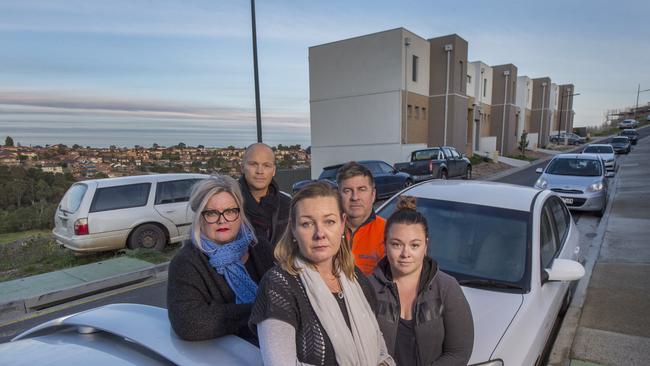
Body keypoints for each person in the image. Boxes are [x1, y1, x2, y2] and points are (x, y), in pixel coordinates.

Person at [249, 181, 395, 366]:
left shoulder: (355, 277)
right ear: (293, 228)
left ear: (342, 224)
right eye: (307, 223)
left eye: (329, 221)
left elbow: (379, 348)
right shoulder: (278, 285)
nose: (320, 233)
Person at [167, 175, 274, 343]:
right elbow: (188, 323)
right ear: (200, 217)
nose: (222, 219)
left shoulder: (259, 246)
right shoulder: (186, 262)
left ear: (240, 213)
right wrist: (261, 310)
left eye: (231, 211)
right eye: (212, 213)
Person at [369, 196, 474, 366]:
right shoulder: (368, 288)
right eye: (396, 244)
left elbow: (459, 352)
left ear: (426, 246)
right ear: (385, 245)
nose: (405, 253)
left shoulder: (447, 288)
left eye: (414, 245)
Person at [337, 161, 385, 275]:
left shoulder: (388, 232)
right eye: (347, 190)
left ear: (373, 195)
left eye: (362, 189)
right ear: (338, 195)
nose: (355, 197)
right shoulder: (327, 231)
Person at [239, 143, 291, 248]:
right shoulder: (230, 203)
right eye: (253, 164)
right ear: (242, 168)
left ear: (274, 171)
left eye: (266, 165)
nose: (260, 171)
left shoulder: (287, 204)